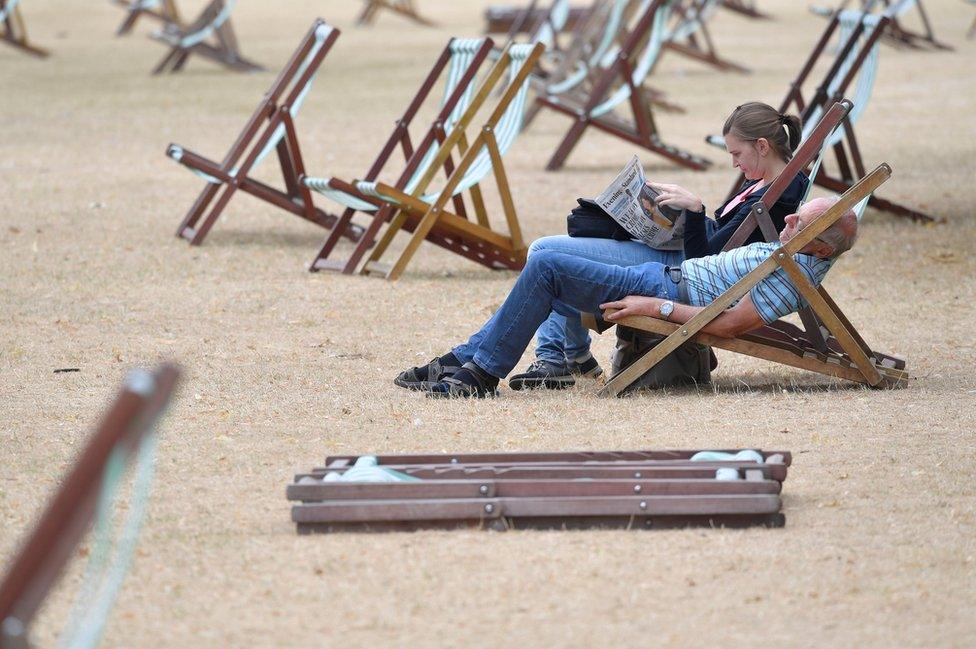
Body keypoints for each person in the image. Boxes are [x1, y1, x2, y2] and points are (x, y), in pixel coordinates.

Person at [394, 197, 858, 398]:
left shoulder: (795, 276)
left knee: (547, 267)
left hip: (661, 289)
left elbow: (727, 326)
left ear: (820, 245)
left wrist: (650, 308)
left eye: (802, 223)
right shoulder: (799, 253)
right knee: (549, 270)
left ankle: (479, 372)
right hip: (660, 274)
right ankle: (467, 361)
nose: (790, 220)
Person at [516, 101, 808, 390]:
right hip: (677, 255)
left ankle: (558, 358)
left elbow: (707, 259)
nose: (734, 162)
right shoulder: (770, 181)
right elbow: (724, 236)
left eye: (736, 153)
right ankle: (573, 355)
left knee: (544, 251)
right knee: (566, 241)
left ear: (762, 146)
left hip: (682, 272)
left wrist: (694, 211)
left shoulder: (776, 193)